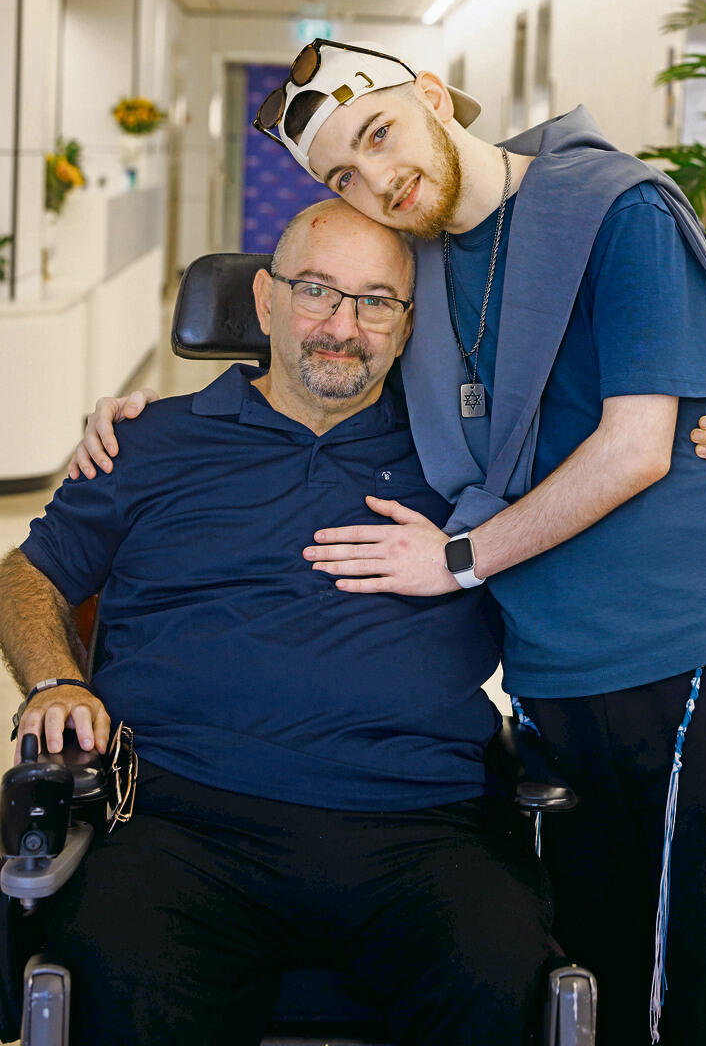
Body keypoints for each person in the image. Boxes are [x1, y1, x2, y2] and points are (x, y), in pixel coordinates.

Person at [71, 40, 706, 1046]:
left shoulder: (613, 210)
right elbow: (331, 372)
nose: (377, 180)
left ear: (433, 97)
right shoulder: (428, 278)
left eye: (377, 135)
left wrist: (457, 556)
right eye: (341, 176)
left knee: (705, 983)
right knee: (605, 966)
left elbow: (635, 445)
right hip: (550, 667)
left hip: (671, 647)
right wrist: (145, 420)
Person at [0, 200, 556, 1046]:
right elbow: (28, 572)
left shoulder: (464, 463)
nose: (344, 326)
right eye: (317, 292)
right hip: (180, 823)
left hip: (424, 825)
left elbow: (610, 478)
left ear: (407, 329)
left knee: (502, 973)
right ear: (264, 301)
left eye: (377, 302)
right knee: (127, 981)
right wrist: (54, 679)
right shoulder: (150, 444)